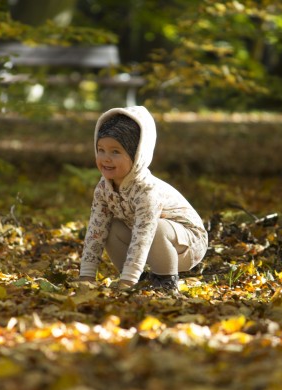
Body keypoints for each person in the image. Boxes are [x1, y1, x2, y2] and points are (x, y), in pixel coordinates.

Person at [79, 106, 208, 291]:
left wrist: (127, 281)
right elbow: (95, 230)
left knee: (157, 228)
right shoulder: (103, 188)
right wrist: (87, 275)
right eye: (101, 150)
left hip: (186, 245)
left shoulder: (147, 191)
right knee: (110, 227)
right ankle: (139, 279)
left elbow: (144, 235)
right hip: (147, 241)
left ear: (137, 155)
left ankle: (165, 282)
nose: (105, 158)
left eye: (115, 152)